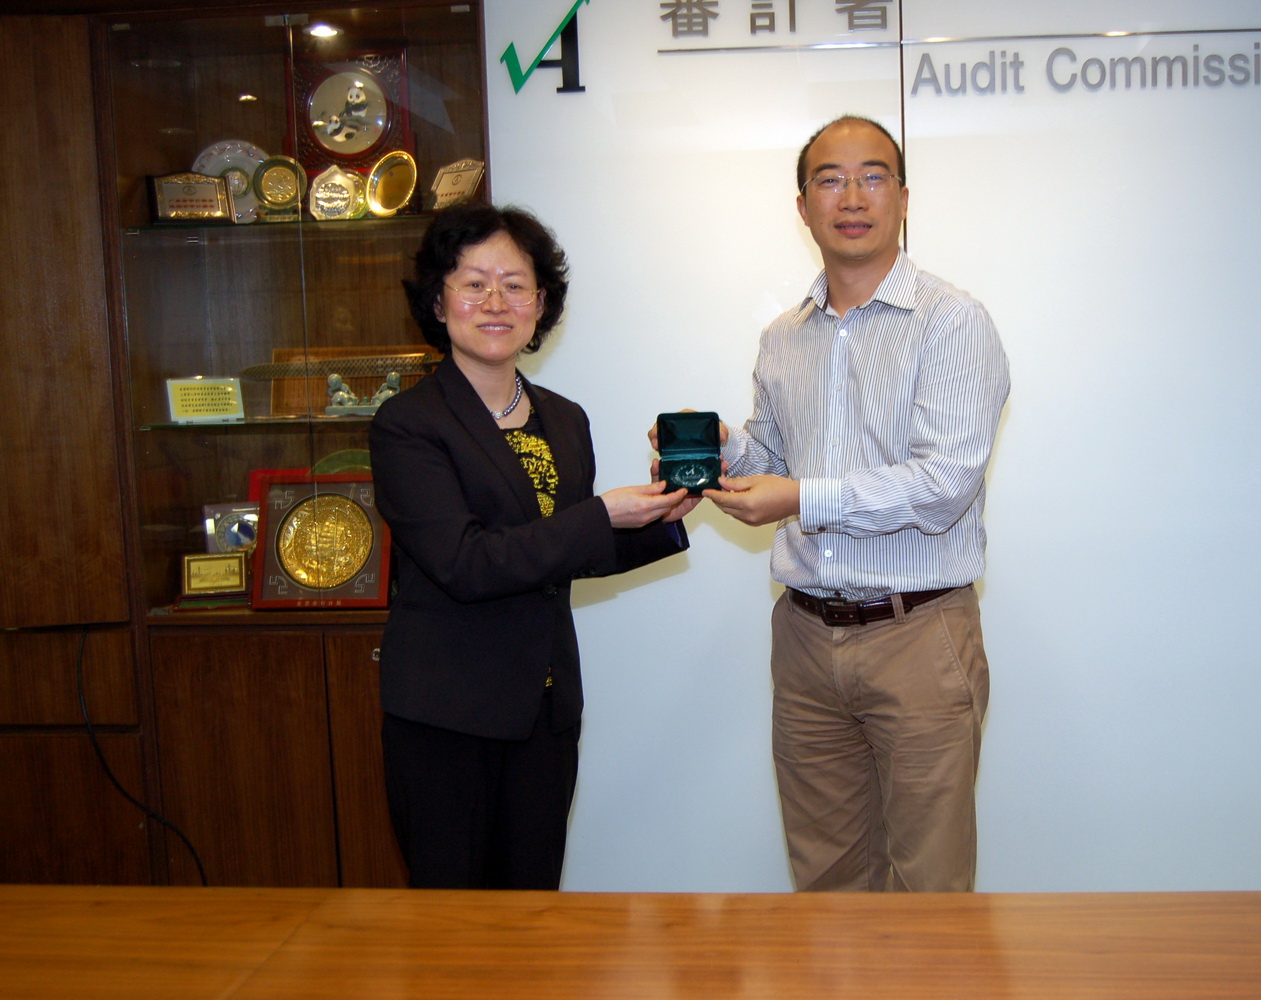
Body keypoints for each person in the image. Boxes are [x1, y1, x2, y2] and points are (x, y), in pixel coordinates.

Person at [692, 115, 1009, 891]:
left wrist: (800, 495)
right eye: (830, 179)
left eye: (873, 176)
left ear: (904, 197)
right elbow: (771, 461)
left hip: (920, 632)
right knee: (826, 880)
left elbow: (944, 487)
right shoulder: (782, 337)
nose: (853, 196)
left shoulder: (952, 322)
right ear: (802, 206)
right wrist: (719, 454)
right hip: (804, 638)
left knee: (926, 882)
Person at [370, 203, 695, 889]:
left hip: (544, 713)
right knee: (456, 924)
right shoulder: (408, 425)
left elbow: (566, 553)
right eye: (473, 282)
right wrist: (602, 513)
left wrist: (665, 514)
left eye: (516, 285)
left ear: (541, 304)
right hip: (446, 716)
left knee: (534, 913)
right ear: (438, 298)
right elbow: (465, 563)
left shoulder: (564, 418)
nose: (496, 302)